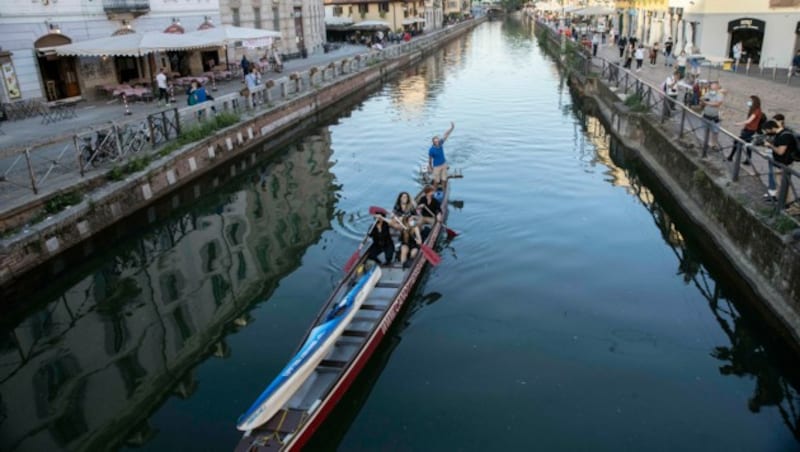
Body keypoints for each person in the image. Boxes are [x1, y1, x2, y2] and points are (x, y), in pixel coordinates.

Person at [761, 119, 798, 202]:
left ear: (772, 128)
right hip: (780, 163)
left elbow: (780, 152)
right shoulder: (779, 133)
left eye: (767, 130)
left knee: (784, 184)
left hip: (784, 164)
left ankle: (788, 203)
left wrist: (770, 145)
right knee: (779, 184)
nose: (767, 132)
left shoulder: (784, 136)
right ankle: (779, 199)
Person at [727, 95, 762, 165]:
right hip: (748, 129)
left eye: (751, 101)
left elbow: (749, 121)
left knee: (737, 142)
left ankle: (731, 156)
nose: (749, 102)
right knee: (748, 145)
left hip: (750, 130)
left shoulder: (757, 111)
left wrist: (738, 124)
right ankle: (748, 160)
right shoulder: (754, 110)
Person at [428, 121, 455, 191]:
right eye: (435, 142)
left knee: (444, 179)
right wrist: (431, 168)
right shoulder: (431, 150)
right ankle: (434, 191)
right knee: (436, 181)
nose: (437, 142)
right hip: (436, 166)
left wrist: (452, 128)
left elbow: (446, 134)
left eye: (437, 141)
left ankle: (443, 191)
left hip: (443, 164)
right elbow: (430, 160)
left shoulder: (440, 143)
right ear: (433, 142)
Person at [700, 81, 724, 150]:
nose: (712, 88)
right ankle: (706, 143)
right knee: (706, 130)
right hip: (706, 115)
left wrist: (706, 102)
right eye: (711, 87)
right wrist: (702, 101)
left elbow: (717, 104)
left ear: (717, 87)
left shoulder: (720, 95)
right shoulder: (707, 93)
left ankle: (714, 144)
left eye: (714, 87)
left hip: (715, 116)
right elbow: (703, 102)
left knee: (715, 131)